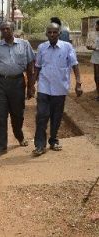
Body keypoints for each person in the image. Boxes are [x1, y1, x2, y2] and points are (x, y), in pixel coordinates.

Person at [0, 22, 35, 157]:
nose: (5, 31)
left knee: (18, 115)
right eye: (3, 29)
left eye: (7, 29)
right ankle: (0, 146)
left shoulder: (24, 44)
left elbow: (30, 66)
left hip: (18, 83)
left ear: (13, 29)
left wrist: (31, 86)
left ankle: (19, 135)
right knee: (0, 116)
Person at [32, 23, 83, 156]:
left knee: (56, 116)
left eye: (55, 32)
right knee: (41, 116)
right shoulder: (42, 48)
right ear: (46, 34)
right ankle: (39, 145)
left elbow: (74, 65)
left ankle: (53, 140)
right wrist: (31, 84)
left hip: (60, 88)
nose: (52, 34)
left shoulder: (67, 47)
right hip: (44, 87)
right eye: (49, 32)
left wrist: (78, 82)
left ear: (59, 34)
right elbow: (37, 67)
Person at [86, 19, 99, 101]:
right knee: (96, 76)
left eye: (97, 25)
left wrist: (93, 48)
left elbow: (96, 47)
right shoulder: (96, 35)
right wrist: (90, 47)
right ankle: (98, 93)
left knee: (98, 76)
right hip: (95, 57)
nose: (95, 27)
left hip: (97, 57)